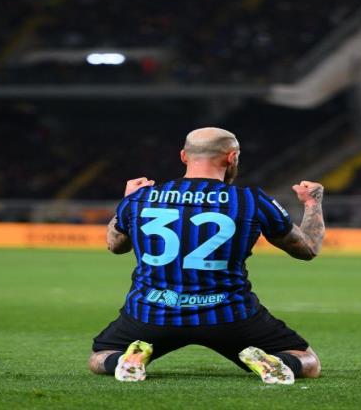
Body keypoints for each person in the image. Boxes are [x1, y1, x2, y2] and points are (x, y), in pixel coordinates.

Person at [89, 127, 325, 384]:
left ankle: (126, 360)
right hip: (230, 316)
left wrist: (127, 201)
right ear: (232, 157)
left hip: (151, 313)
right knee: (307, 360)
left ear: (183, 156)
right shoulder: (251, 200)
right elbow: (308, 248)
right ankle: (273, 362)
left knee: (101, 356)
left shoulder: (141, 198)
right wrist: (312, 202)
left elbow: (116, 245)